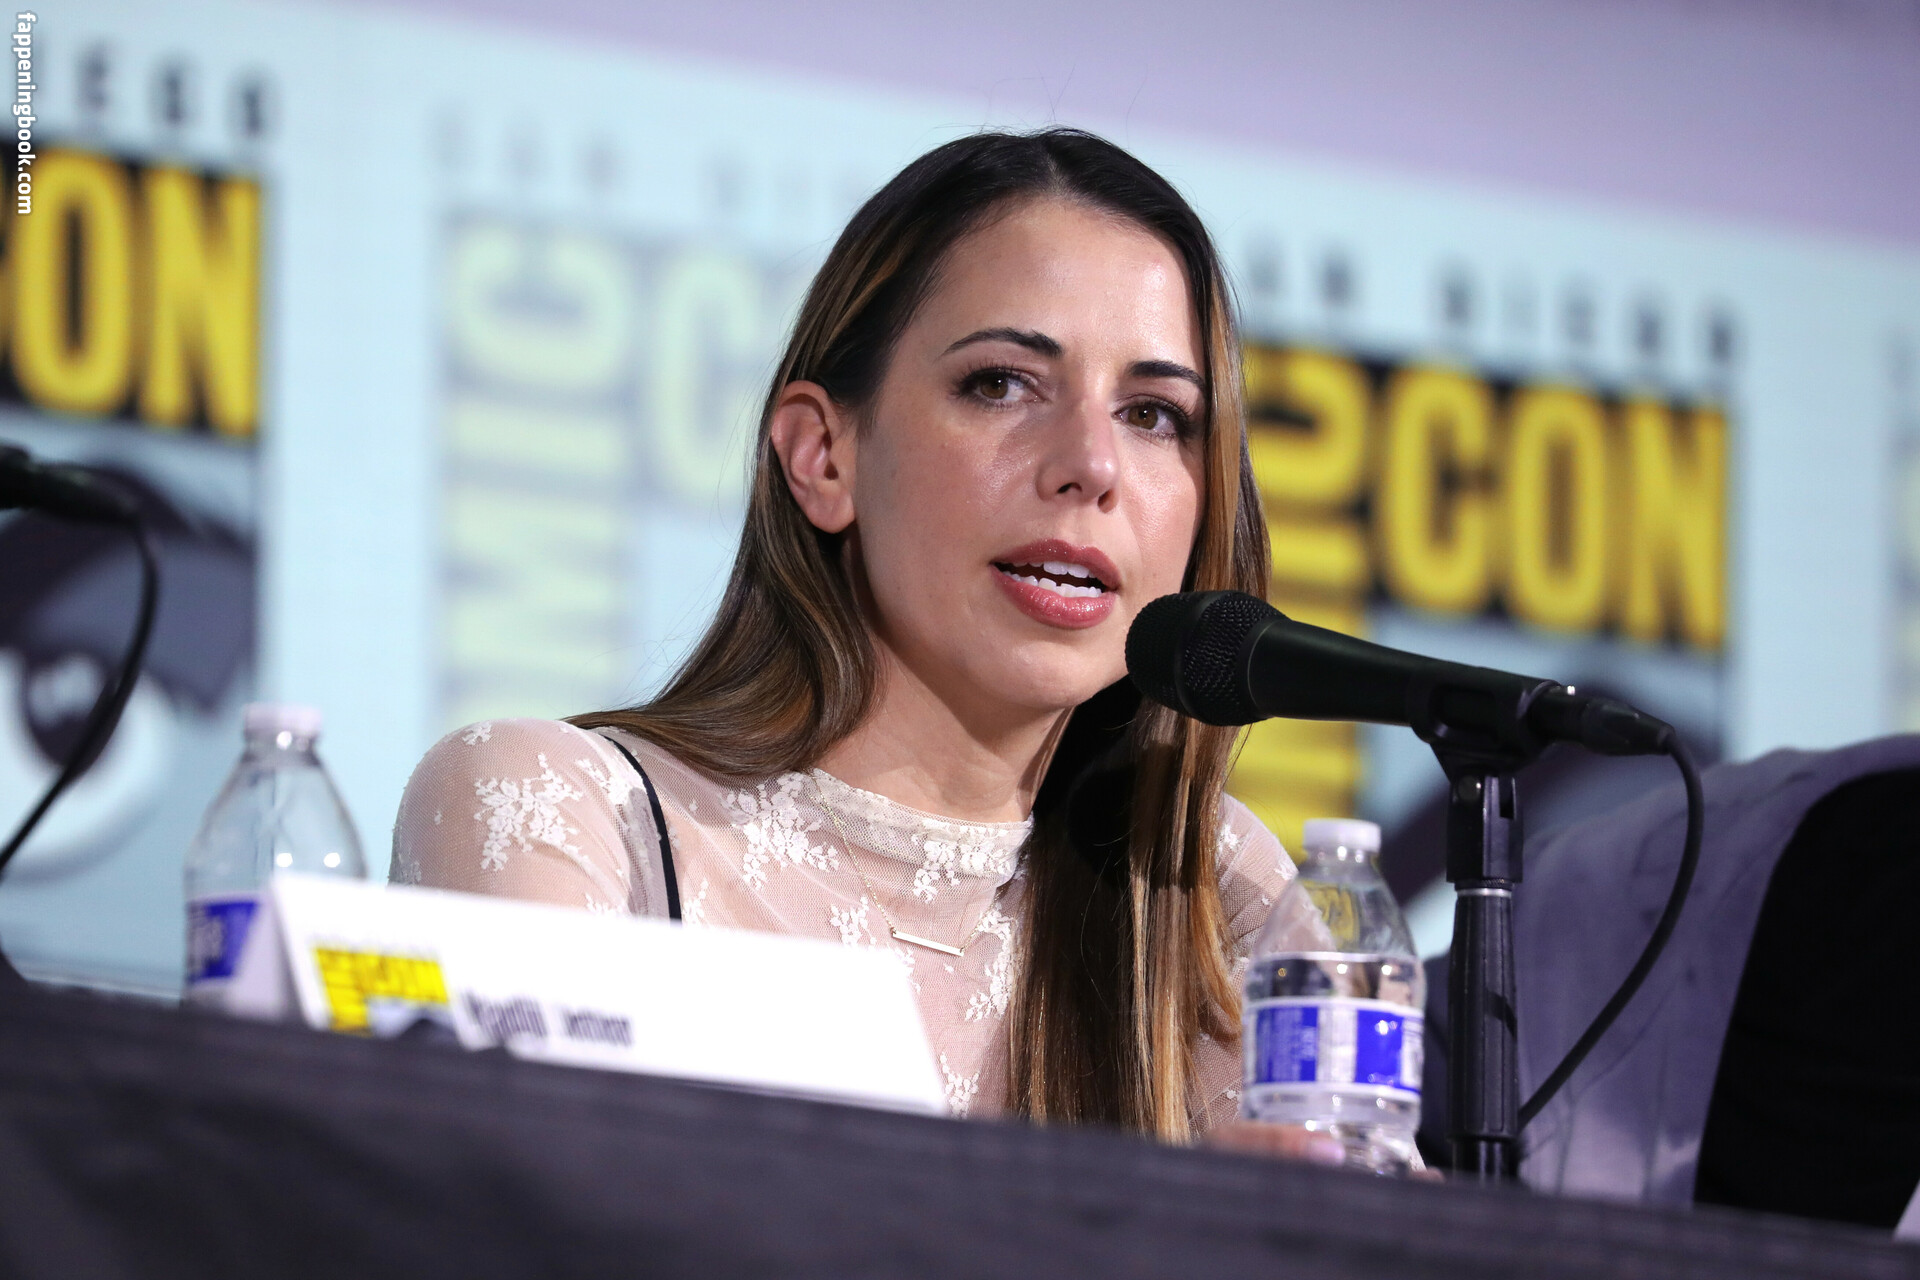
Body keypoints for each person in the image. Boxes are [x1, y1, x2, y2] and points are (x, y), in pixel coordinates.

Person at [392, 128, 1331, 1155]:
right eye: (1002, 383)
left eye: (1154, 414)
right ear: (823, 456)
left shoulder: (1213, 893)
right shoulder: (565, 813)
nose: (1092, 465)